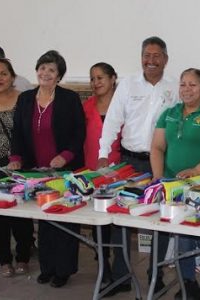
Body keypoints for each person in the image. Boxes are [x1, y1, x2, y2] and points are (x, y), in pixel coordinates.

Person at [97, 36, 178, 297]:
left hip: (162, 164)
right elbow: (112, 121)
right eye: (146, 55)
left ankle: (157, 274)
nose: (150, 61)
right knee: (121, 220)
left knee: (159, 220)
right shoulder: (128, 85)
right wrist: (103, 153)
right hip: (128, 161)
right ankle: (120, 276)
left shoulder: (175, 87)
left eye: (156, 56)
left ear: (165, 59)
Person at [7, 50, 86, 288]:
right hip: (34, 171)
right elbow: (17, 132)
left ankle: (63, 269)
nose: (45, 73)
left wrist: (65, 156)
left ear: (59, 75)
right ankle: (47, 267)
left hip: (63, 170)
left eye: (51, 70)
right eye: (42, 68)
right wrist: (16, 158)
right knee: (43, 219)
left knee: (63, 219)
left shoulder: (69, 99)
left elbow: (78, 133)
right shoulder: (25, 98)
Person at [150, 68, 200, 300]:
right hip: (174, 187)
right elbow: (156, 147)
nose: (186, 89)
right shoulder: (170, 113)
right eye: (183, 84)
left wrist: (196, 171)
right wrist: (158, 179)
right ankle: (186, 282)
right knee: (182, 237)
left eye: (192, 85)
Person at [0, 58, 34, 277]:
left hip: (21, 165)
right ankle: (4, 260)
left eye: (3, 74)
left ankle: (24, 256)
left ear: (12, 76)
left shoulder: (24, 99)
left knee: (21, 214)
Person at [83, 62, 120, 284]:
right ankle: (103, 263)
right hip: (91, 170)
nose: (96, 83)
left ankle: (118, 262)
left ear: (113, 78)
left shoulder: (123, 104)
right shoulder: (86, 106)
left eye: (100, 78)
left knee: (115, 221)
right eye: (93, 79)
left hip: (119, 171)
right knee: (98, 220)